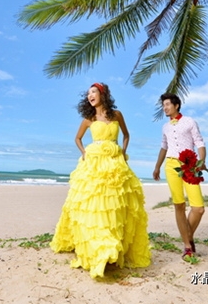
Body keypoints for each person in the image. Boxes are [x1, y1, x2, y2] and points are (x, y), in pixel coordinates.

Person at [50, 82, 151, 278]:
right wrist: (84, 152)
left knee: (116, 204)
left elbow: (126, 135)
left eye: (93, 92)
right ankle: (100, 248)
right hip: (94, 163)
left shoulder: (117, 115)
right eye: (88, 93)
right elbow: (77, 138)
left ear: (102, 94)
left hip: (115, 163)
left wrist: (123, 152)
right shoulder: (89, 119)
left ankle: (114, 245)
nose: (90, 96)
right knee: (94, 204)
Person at [153, 92, 207, 260]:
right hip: (171, 166)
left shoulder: (190, 121)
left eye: (167, 104)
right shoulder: (165, 127)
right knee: (179, 205)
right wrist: (157, 167)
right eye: (163, 105)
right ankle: (187, 246)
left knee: (198, 208)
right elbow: (164, 147)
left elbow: (199, 142)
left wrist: (201, 160)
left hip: (189, 165)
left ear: (176, 105)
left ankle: (188, 236)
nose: (165, 108)